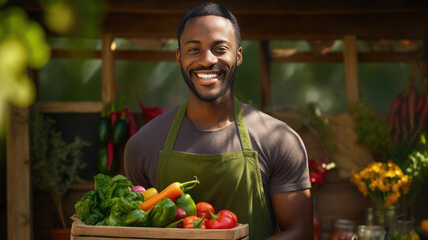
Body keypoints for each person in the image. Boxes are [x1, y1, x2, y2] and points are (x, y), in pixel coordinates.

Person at [124, 2, 313, 239]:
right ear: (179, 57)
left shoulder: (279, 140)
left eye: (220, 49)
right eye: (194, 50)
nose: (207, 60)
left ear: (239, 55)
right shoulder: (143, 145)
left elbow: (300, 233)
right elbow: (133, 231)